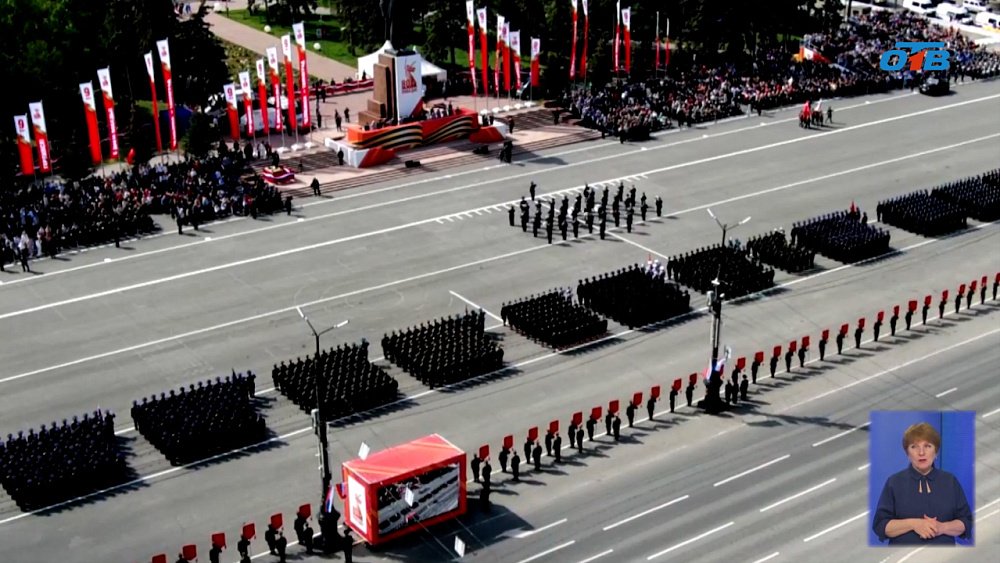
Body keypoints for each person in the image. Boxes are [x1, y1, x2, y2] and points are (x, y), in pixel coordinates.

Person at [873, 423, 972, 545]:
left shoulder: (950, 481)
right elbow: (881, 525)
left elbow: (966, 522)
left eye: (927, 446)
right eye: (914, 447)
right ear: (907, 453)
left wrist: (942, 527)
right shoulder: (894, 482)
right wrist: (914, 524)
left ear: (936, 451)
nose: (921, 452)